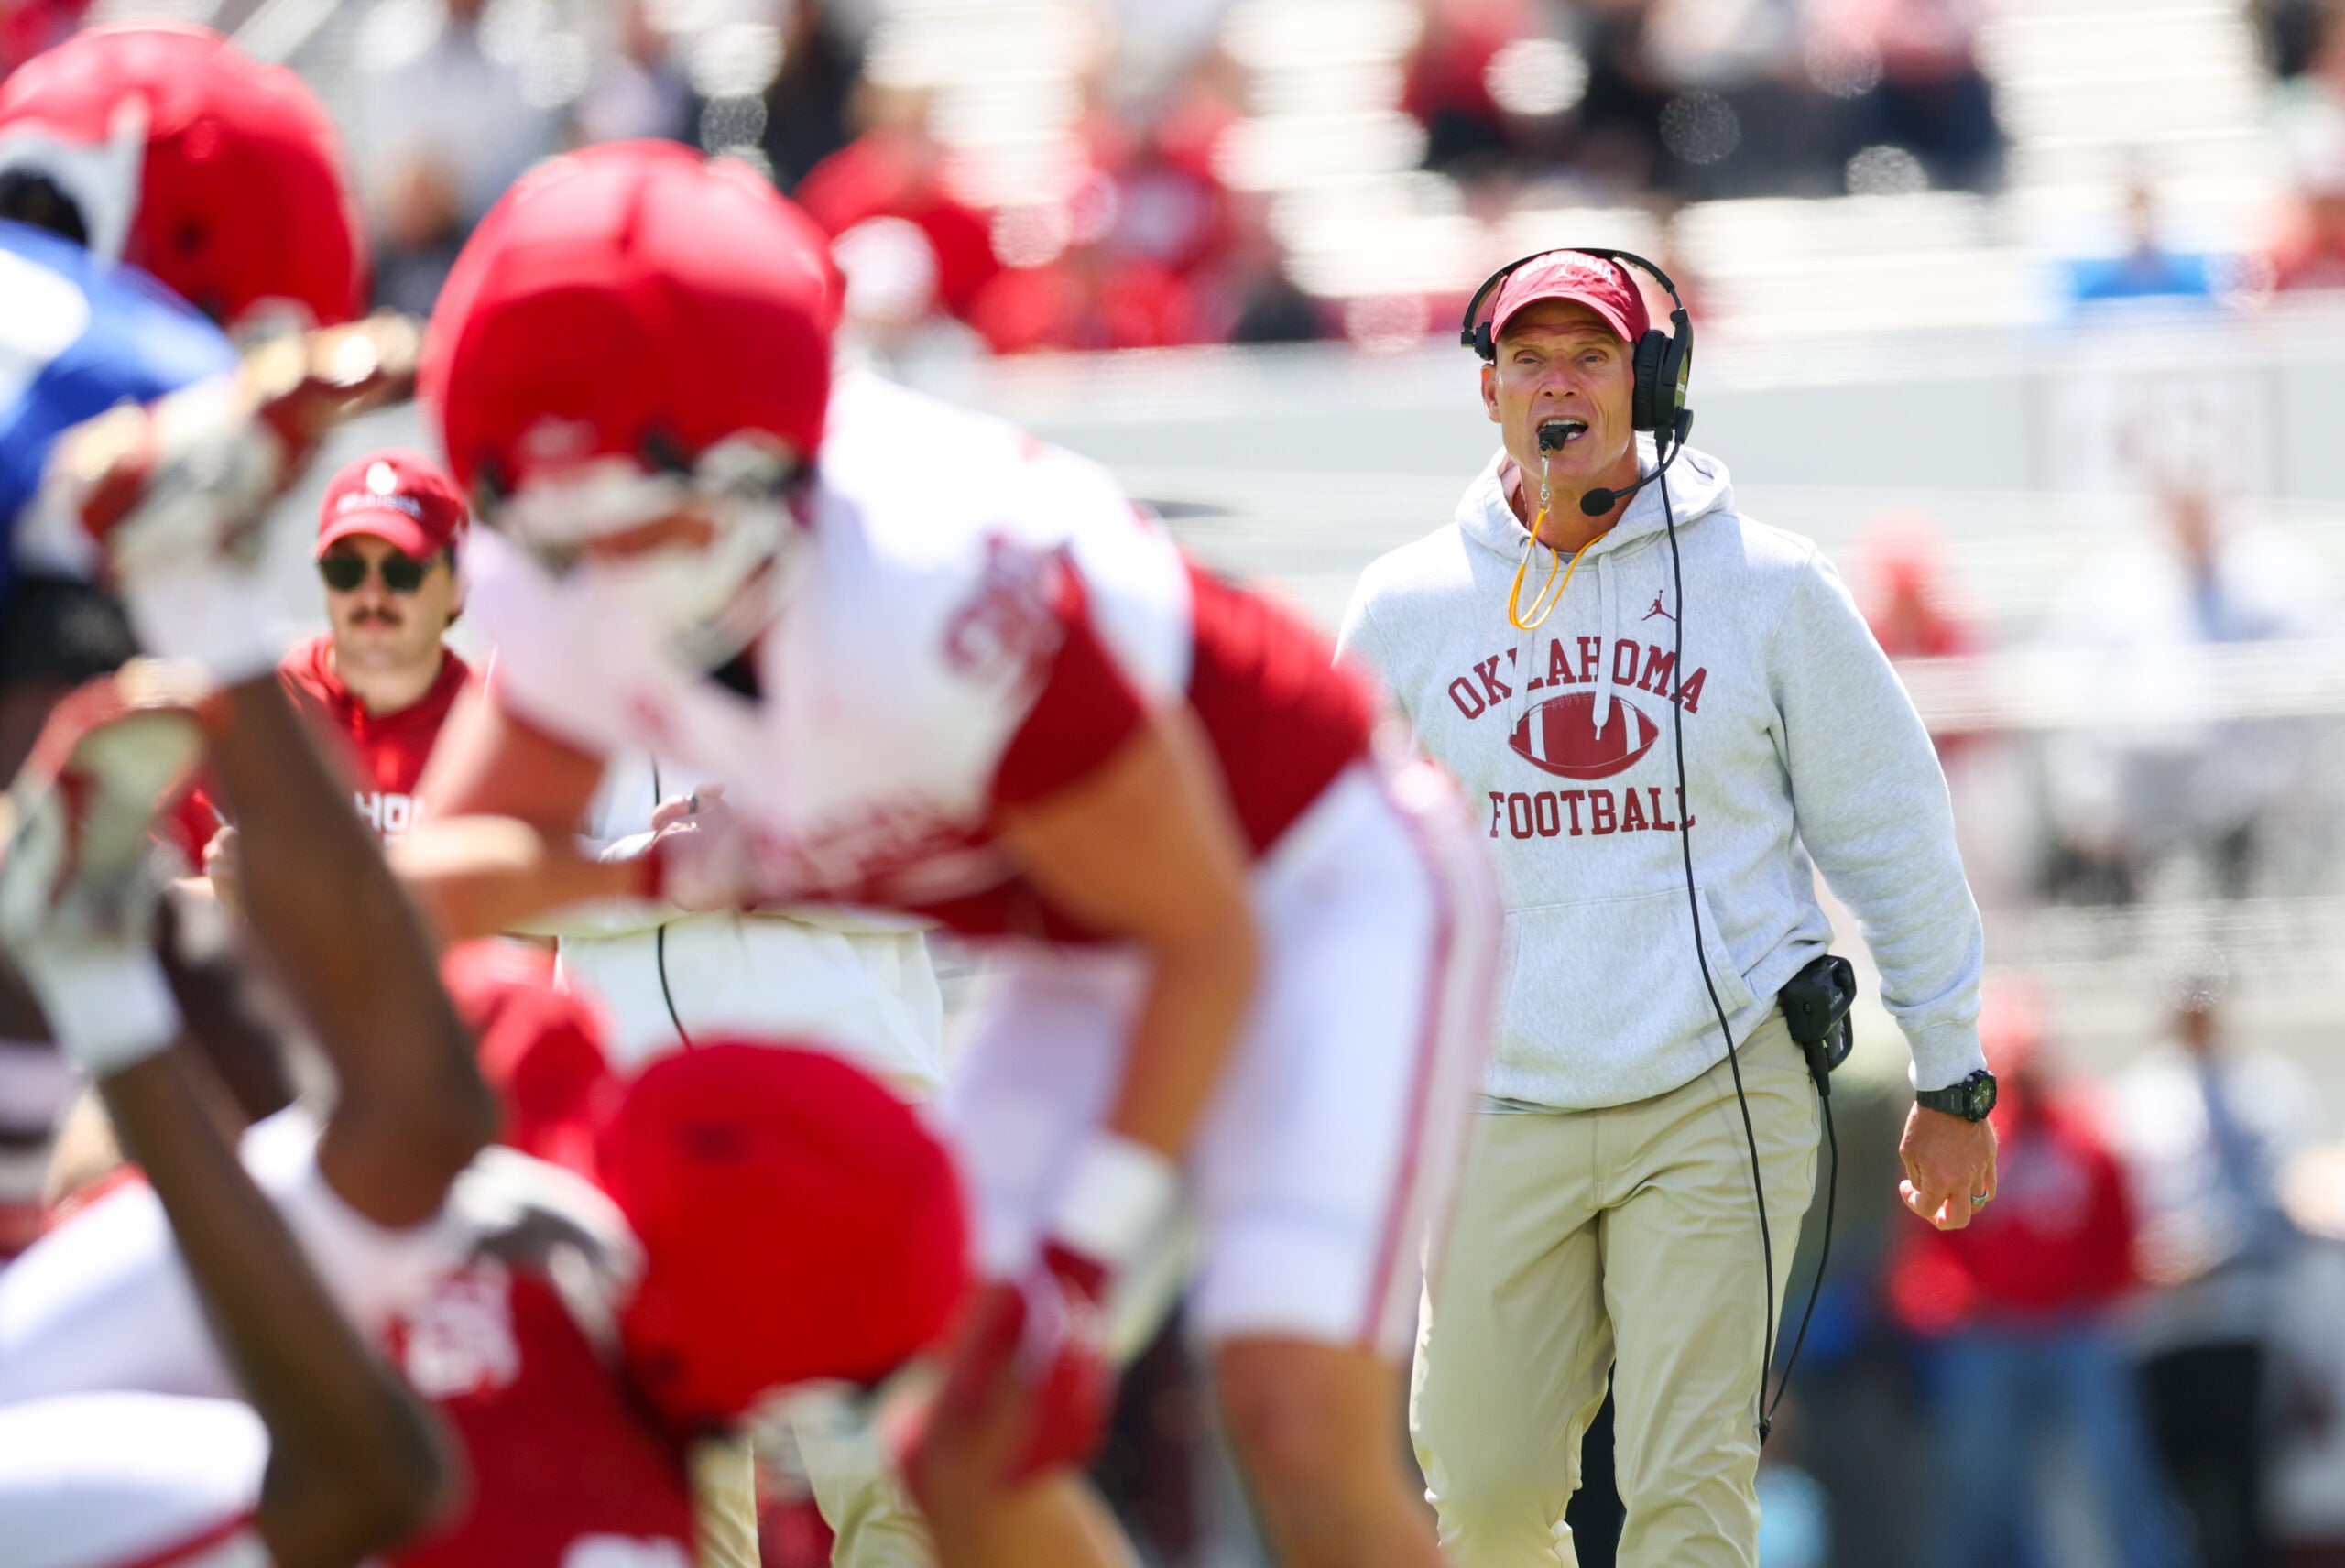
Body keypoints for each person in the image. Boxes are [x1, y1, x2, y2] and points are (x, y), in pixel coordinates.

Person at [397, 137, 1498, 1568]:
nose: (586, 579)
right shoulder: (568, 569)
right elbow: (450, 880)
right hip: (1084, 943)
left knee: (1292, 1414)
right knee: (950, 1440)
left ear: (754, 465)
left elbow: (1203, 933)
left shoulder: (930, 579)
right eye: (551, 531)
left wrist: (1082, 1257)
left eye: (623, 515)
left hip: (1310, 893)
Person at [0, 278, 987, 1568]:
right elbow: (448, 912)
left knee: (380, 1463)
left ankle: (108, 920)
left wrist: (666, 878)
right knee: (430, 1128)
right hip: (741, 1125)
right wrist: (649, 880)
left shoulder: (871, 650)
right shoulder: (566, 667)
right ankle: (178, 667)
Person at [1335, 248, 1996, 1566]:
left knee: (1685, 1489)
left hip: (1717, 1086)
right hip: (1495, 1095)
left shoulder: (1771, 586)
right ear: (1489, 395)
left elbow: (1893, 830)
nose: (1558, 383)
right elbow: (1328, 866)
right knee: (1485, 1487)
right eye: (1530, 358)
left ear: (1652, 381)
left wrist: (1955, 1070)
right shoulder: (1406, 605)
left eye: (1590, 355)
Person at [1886, 978, 2184, 1568]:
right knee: (1981, 1488)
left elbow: (2118, 1231)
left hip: (2075, 1331)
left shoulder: (2085, 1131)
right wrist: (1945, 1301)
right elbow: (1930, 1240)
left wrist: (2103, 1295)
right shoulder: (1969, 1140)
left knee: (2115, 1477)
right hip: (1989, 1334)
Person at [186, 447, 473, 904]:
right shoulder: (249, 711)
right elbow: (135, 910)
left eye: (401, 572)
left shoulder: (494, 728)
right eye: (346, 570)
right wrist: (233, 896)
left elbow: (543, 934)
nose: (372, 596)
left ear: (459, 586)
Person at [2113, 962, 2322, 1568]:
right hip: (2160, 1327)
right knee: (2175, 1492)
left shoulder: (2265, 1089)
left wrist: (2206, 1254)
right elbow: (2119, 1203)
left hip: (2240, 1317)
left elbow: (2278, 1205)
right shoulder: (2139, 1095)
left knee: (2245, 1482)